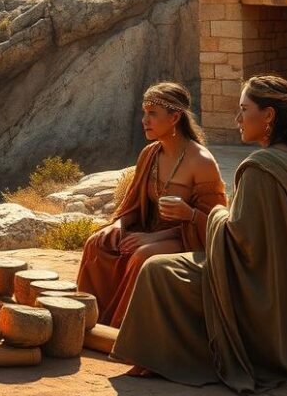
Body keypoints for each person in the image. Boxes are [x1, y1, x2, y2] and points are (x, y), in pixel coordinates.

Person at [113, 75, 287, 393]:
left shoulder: (260, 168)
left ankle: (173, 357)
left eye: (244, 109)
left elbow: (239, 241)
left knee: (158, 271)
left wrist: (197, 215)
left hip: (259, 293)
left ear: (268, 115)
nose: (237, 119)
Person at [77, 82, 227, 326]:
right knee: (98, 243)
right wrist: (118, 224)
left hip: (187, 236)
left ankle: (124, 330)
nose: (145, 120)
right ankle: (90, 320)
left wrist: (159, 235)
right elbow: (133, 206)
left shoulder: (201, 162)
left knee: (142, 255)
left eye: (153, 114)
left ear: (175, 117)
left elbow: (214, 222)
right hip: (151, 230)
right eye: (144, 113)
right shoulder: (150, 154)